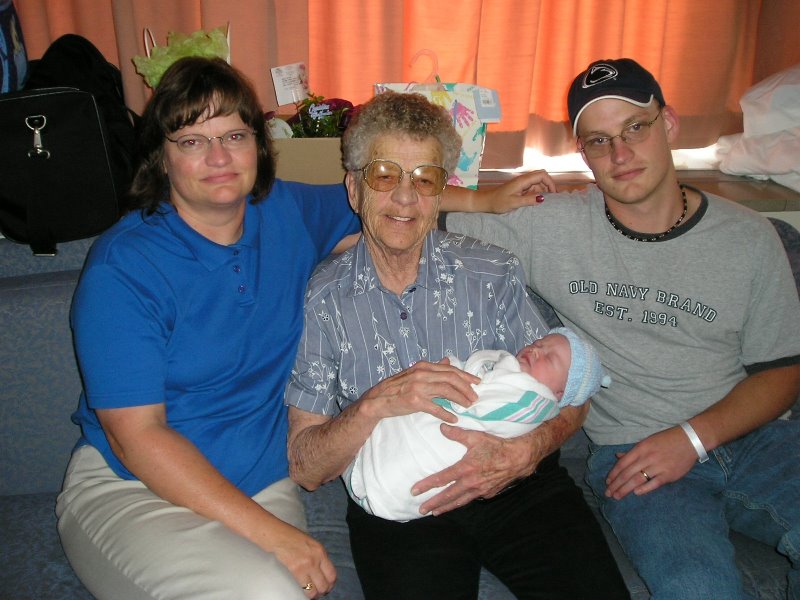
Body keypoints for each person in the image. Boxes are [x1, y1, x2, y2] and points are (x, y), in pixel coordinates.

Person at [55, 57, 556, 600]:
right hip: (135, 487)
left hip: (260, 481)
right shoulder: (124, 268)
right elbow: (138, 439)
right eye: (193, 140)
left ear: (259, 144)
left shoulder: (284, 211)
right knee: (267, 592)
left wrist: (484, 200)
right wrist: (275, 536)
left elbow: (393, 193)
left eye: (234, 135)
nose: (219, 157)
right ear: (162, 155)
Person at [446, 58, 800, 599]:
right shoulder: (552, 225)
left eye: (635, 127)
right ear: (581, 152)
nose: (620, 154)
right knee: (696, 588)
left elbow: (781, 373)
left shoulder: (751, 239)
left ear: (670, 123)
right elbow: (407, 206)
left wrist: (691, 439)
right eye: (598, 140)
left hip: (758, 442)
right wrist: (479, 199)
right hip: (635, 460)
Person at [285, 90, 630, 600]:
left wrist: (527, 449)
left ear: (441, 191)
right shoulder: (324, 298)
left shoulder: (493, 271)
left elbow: (573, 392)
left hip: (518, 486)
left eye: (424, 179)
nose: (406, 198)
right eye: (385, 175)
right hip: (403, 508)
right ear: (354, 190)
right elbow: (305, 466)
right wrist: (375, 405)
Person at [348, 327, 611, 522]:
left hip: (479, 462)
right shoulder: (514, 376)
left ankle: (374, 476)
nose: (536, 350)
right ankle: (368, 466)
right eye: (538, 342)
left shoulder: (536, 402)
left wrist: (458, 381)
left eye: (550, 359)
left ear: (560, 394)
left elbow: (479, 407)